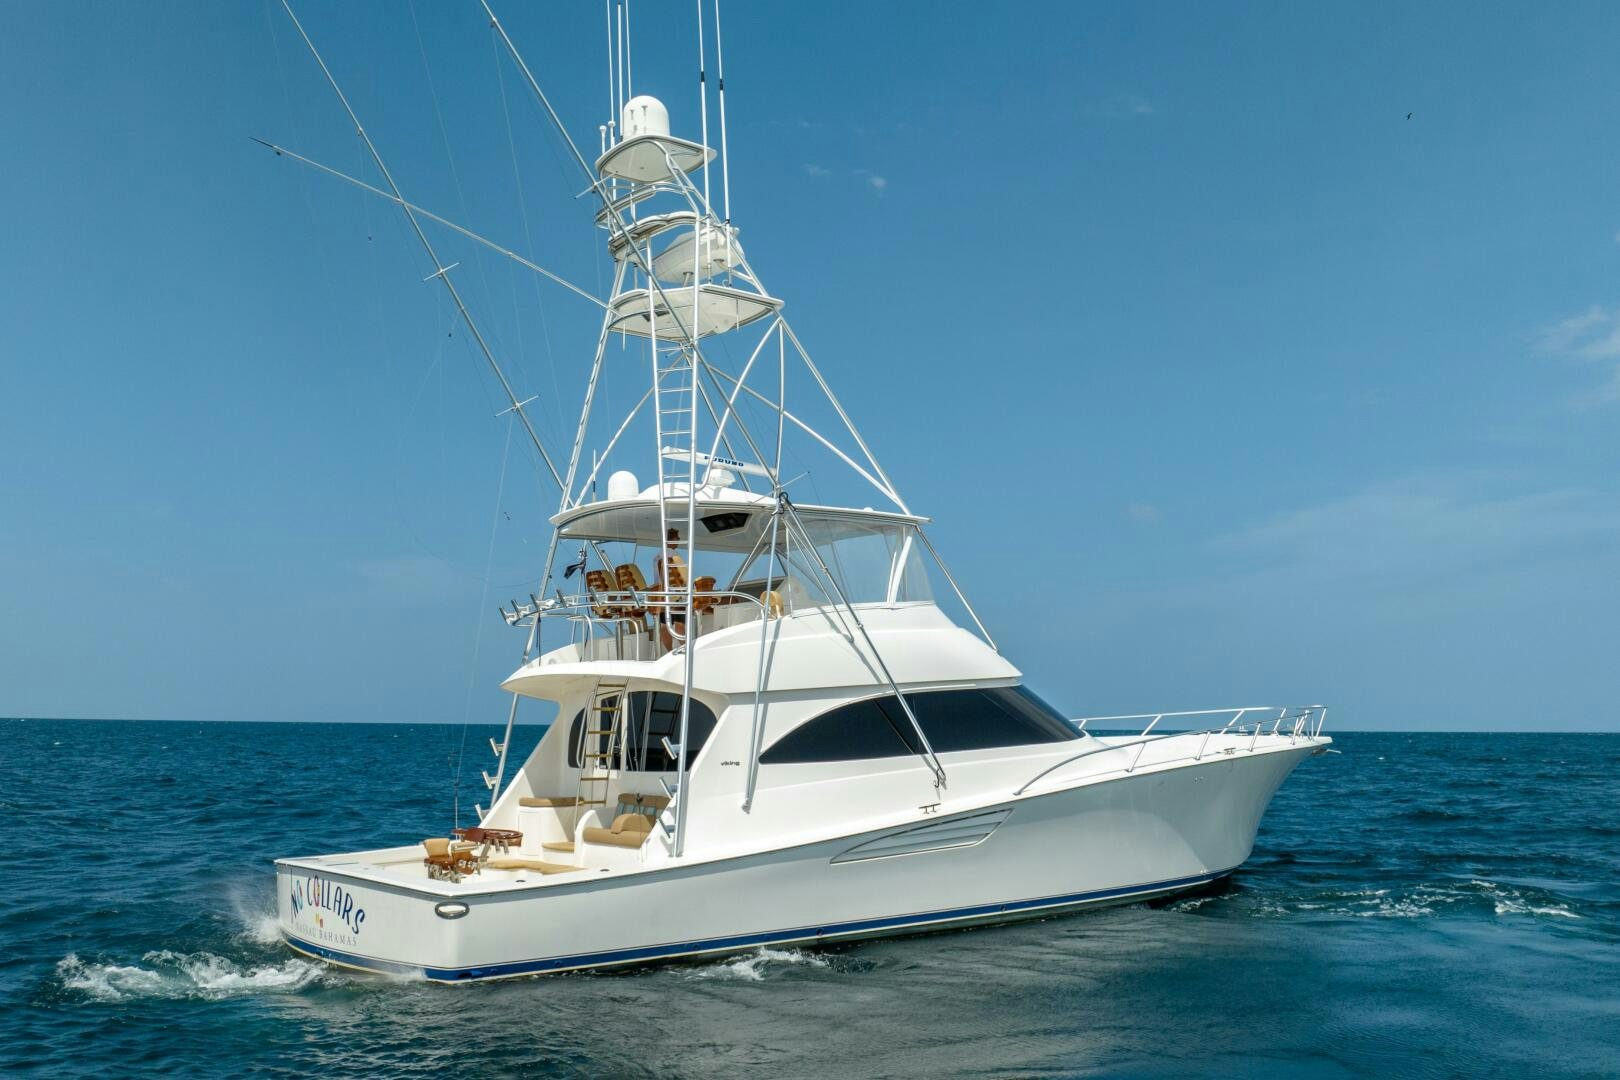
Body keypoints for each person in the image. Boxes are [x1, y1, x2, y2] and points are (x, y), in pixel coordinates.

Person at [653, 528, 688, 652]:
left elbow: (658, 579)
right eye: (677, 538)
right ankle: (686, 648)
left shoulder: (657, 556)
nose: (678, 541)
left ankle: (668, 651)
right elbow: (683, 577)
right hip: (677, 595)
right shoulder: (674, 555)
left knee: (664, 625)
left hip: (662, 594)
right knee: (679, 622)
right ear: (671, 540)